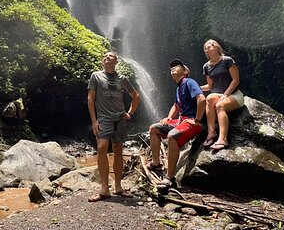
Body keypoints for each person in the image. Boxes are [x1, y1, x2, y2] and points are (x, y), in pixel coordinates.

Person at [87, 51, 140, 202]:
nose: (106, 57)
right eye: (104, 56)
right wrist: (94, 120)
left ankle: (118, 186)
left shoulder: (122, 79)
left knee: (118, 149)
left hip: (120, 119)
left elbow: (135, 96)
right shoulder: (96, 76)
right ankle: (104, 188)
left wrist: (130, 113)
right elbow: (90, 99)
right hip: (103, 119)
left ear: (116, 62)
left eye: (110, 56)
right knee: (102, 148)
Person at [147, 59, 205, 188]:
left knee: (172, 136)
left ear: (185, 72)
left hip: (191, 122)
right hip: (181, 121)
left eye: (177, 66)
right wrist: (168, 118)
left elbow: (201, 99)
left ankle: (170, 178)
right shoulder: (179, 87)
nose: (172, 68)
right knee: (153, 129)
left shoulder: (189, 82)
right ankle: (156, 163)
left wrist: (197, 120)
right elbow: (176, 105)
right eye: (171, 67)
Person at [201, 39, 244, 151]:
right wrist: (195, 88)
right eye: (208, 44)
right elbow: (210, 86)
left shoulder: (227, 60)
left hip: (234, 94)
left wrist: (226, 94)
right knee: (209, 98)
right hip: (218, 94)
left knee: (220, 106)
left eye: (214, 43)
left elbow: (236, 80)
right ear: (206, 50)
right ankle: (211, 134)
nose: (211, 44)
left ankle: (223, 139)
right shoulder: (206, 66)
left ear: (218, 47)